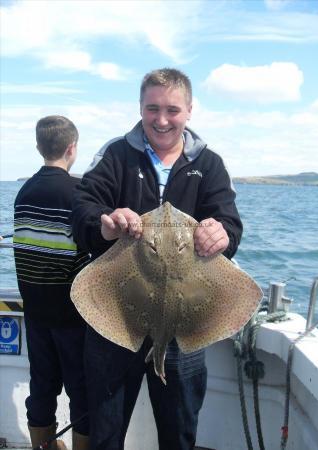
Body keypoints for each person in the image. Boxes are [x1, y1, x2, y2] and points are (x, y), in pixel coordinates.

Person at [71, 68, 243, 450]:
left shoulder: (209, 163)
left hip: (185, 324)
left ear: (189, 111)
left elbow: (230, 222)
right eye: (152, 109)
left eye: (172, 110)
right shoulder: (117, 154)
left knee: (180, 431)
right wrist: (105, 225)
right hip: (117, 316)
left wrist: (223, 234)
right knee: (106, 430)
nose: (161, 120)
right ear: (140, 107)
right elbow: (82, 208)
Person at [13, 116, 90, 450]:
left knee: (42, 387)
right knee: (82, 391)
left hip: (35, 312)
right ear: (72, 148)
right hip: (71, 316)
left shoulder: (23, 192)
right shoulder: (77, 194)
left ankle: (41, 446)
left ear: (38, 147)